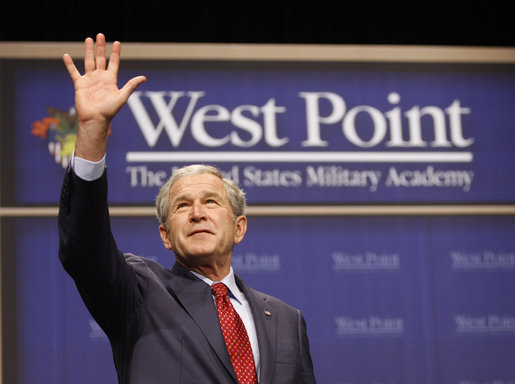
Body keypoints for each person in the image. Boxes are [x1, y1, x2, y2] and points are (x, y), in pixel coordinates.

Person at [58, 33, 317, 384]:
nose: (197, 213)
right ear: (165, 234)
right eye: (182, 206)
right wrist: (91, 130)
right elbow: (83, 246)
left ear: (239, 227)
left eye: (211, 201)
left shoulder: (286, 319)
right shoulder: (139, 294)